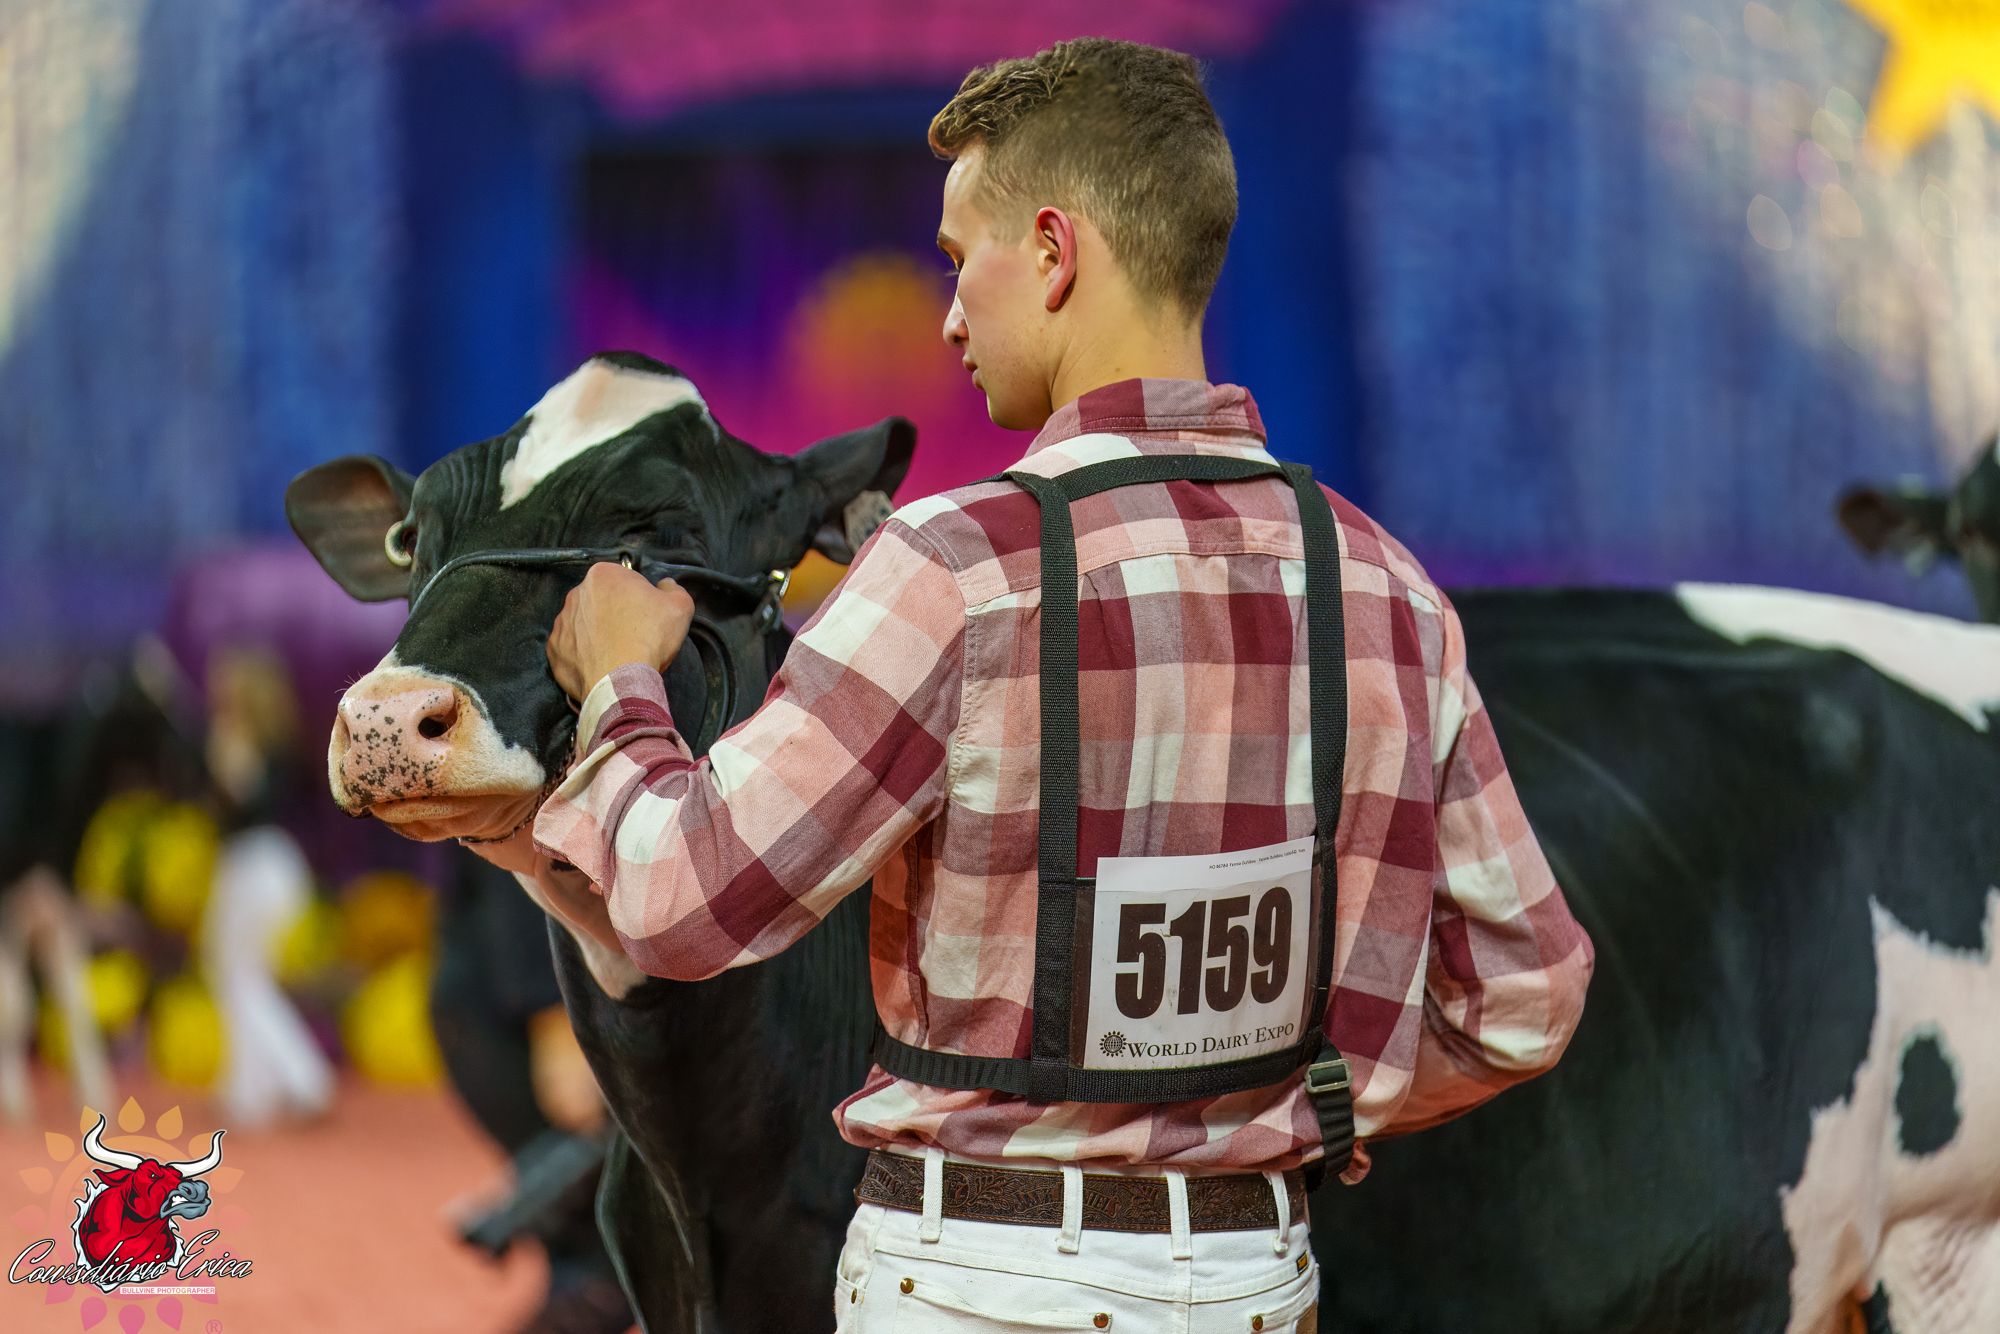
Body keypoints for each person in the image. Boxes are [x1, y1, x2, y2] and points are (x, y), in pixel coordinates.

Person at [531, 38, 1595, 1332]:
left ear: (1051, 250)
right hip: (1258, 1282)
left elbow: (682, 898)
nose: (947, 316)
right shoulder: (1386, 589)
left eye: (956, 257)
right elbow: (1526, 994)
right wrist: (1290, 1103)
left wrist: (620, 687)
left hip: (973, 1284)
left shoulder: (953, 569)